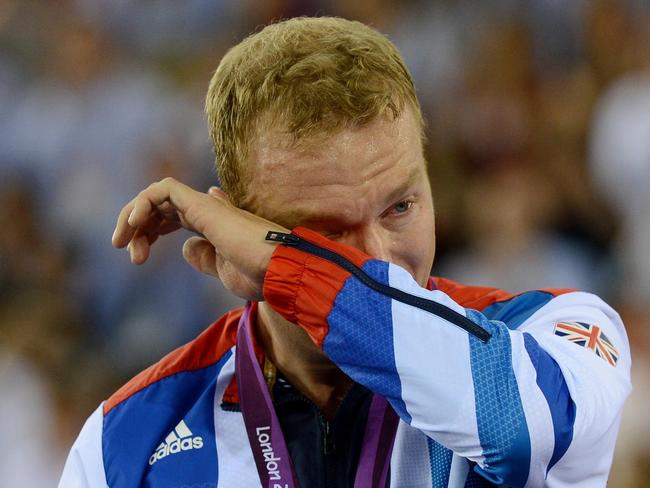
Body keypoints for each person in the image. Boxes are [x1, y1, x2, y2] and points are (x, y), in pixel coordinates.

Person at [59, 17, 631, 488]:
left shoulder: (559, 329)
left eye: (400, 207)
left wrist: (291, 267)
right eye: (325, 234)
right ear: (232, 228)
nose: (376, 257)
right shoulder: (125, 442)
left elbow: (523, 431)